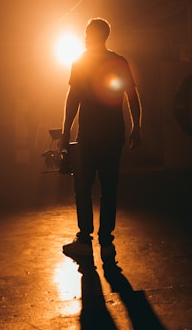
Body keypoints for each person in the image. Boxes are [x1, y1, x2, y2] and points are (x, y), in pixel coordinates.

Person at [61, 17, 142, 261]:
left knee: (83, 189)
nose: (85, 38)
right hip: (112, 135)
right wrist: (136, 127)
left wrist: (66, 130)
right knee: (109, 189)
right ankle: (106, 243)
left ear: (95, 36)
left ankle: (85, 240)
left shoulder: (81, 62)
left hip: (88, 137)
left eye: (87, 34)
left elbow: (73, 98)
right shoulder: (118, 61)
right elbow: (132, 97)